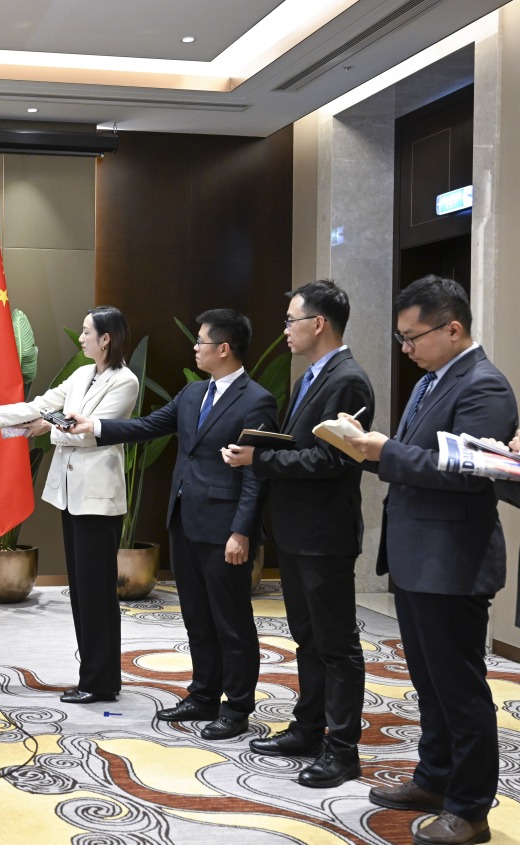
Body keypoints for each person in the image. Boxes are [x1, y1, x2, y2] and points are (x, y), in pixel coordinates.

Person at [345, 275, 516, 845]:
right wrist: (367, 451)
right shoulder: (431, 382)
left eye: (412, 337)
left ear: (453, 328)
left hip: (453, 560)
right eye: (400, 338)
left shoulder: (485, 387)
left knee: (460, 690)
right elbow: (421, 457)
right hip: (420, 556)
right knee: (429, 682)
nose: (406, 349)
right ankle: (434, 778)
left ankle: (469, 810)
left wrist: (383, 450)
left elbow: (468, 474)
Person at [68, 309, 276, 740]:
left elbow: (257, 474)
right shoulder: (193, 392)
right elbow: (148, 426)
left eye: (200, 342)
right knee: (197, 617)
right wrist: (97, 427)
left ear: (223, 348)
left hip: (225, 530)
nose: (194, 348)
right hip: (185, 521)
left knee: (232, 622)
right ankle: (203, 694)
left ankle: (237, 707)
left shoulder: (257, 400)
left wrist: (243, 532)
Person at [221, 280, 373, 787]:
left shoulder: (348, 380)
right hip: (296, 529)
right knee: (307, 638)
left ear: (319, 324)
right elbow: (300, 445)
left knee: (337, 644)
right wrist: (269, 450)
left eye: (291, 320)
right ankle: (308, 727)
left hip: (324, 532)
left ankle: (342, 748)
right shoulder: (312, 375)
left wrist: (260, 459)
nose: (284, 330)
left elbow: (332, 458)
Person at [0, 306, 138, 704]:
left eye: (88, 332)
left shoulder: (125, 382)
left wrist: (53, 427)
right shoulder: (82, 374)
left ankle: (100, 681)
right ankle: (94, 675)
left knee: (96, 593)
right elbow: (42, 406)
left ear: (106, 338)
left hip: (98, 500)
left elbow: (88, 434)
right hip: (71, 496)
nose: (83, 338)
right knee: (81, 591)